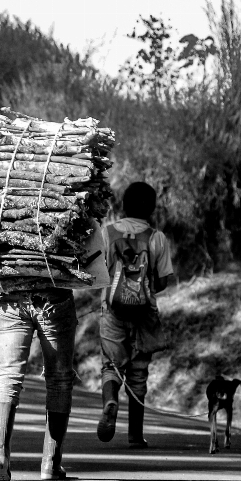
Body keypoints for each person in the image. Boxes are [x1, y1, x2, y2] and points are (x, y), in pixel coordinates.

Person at [97, 181, 173, 448]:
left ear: (123, 204)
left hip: (111, 311)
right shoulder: (157, 238)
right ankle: (135, 435)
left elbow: (96, 273)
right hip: (145, 313)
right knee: (138, 373)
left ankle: (110, 401)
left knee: (111, 366)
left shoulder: (106, 234)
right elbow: (163, 282)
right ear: (151, 208)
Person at [0, 285, 77, 481]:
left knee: (8, 375)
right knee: (59, 379)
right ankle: (51, 463)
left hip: (13, 299)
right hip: (55, 299)